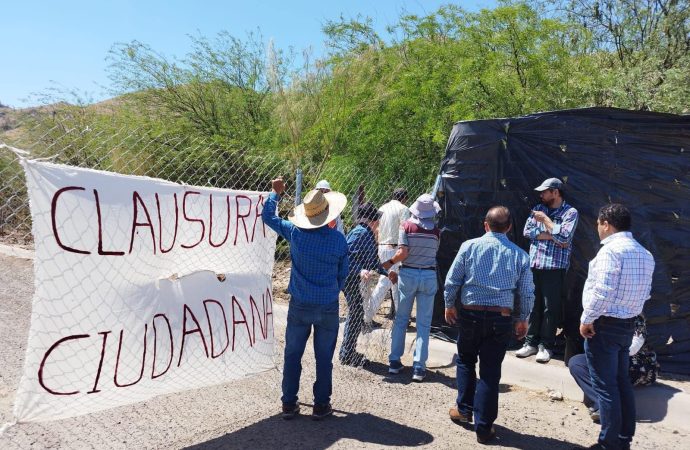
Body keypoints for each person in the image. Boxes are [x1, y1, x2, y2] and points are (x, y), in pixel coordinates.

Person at [443, 206, 535, 444]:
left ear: (485, 225)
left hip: (471, 314)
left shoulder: (469, 247)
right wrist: (523, 318)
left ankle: (463, 410)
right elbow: (526, 293)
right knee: (490, 372)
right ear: (510, 227)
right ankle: (484, 428)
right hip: (500, 318)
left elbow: (453, 280)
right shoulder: (520, 256)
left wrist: (449, 304)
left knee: (465, 360)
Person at [261, 177, 349, 421]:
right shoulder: (339, 240)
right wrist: (331, 290)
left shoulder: (295, 234)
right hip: (328, 305)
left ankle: (289, 403)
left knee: (292, 354)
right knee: (324, 358)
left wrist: (274, 193)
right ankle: (321, 405)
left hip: (300, 303)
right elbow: (343, 273)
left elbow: (268, 218)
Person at [576, 203, 654, 450]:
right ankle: (623, 439)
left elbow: (602, 291)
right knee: (620, 383)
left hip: (604, 325)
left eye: (598, 224)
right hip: (626, 326)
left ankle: (608, 443)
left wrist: (587, 319)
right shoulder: (645, 253)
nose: (598, 229)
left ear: (606, 224)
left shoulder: (610, 252)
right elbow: (646, 294)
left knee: (606, 386)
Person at [517, 177, 579, 363]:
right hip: (535, 265)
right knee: (533, 306)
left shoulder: (570, 212)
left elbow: (565, 239)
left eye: (545, 191)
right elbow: (528, 232)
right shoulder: (539, 208)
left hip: (555, 267)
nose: (541, 195)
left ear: (555, 192)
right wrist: (552, 234)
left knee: (550, 308)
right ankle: (530, 343)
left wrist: (545, 222)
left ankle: (546, 346)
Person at [383, 193, 441, 382]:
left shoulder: (406, 226)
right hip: (428, 275)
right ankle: (419, 367)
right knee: (423, 324)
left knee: (401, 319)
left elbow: (403, 252)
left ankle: (394, 361)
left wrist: (389, 263)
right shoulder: (436, 231)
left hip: (408, 274)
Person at [569, 315, 659, 423]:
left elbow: (633, 348)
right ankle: (605, 405)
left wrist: (606, 350)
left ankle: (609, 408)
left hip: (637, 363)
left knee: (612, 363)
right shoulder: (599, 315)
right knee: (576, 363)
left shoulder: (635, 316)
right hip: (607, 358)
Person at [339, 202, 396, 366]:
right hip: (351, 280)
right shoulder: (361, 234)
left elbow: (372, 261)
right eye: (376, 219)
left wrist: (387, 273)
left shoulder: (367, 233)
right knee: (356, 315)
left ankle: (348, 352)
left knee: (356, 315)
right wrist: (359, 270)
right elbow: (347, 257)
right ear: (372, 220)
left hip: (353, 279)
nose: (378, 222)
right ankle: (347, 354)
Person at [365, 188, 409, 324]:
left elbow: (377, 228)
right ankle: (367, 315)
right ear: (404, 198)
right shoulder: (403, 208)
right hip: (394, 248)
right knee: (386, 283)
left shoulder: (383, 207)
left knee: (394, 283)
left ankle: (400, 317)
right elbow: (404, 230)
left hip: (381, 246)